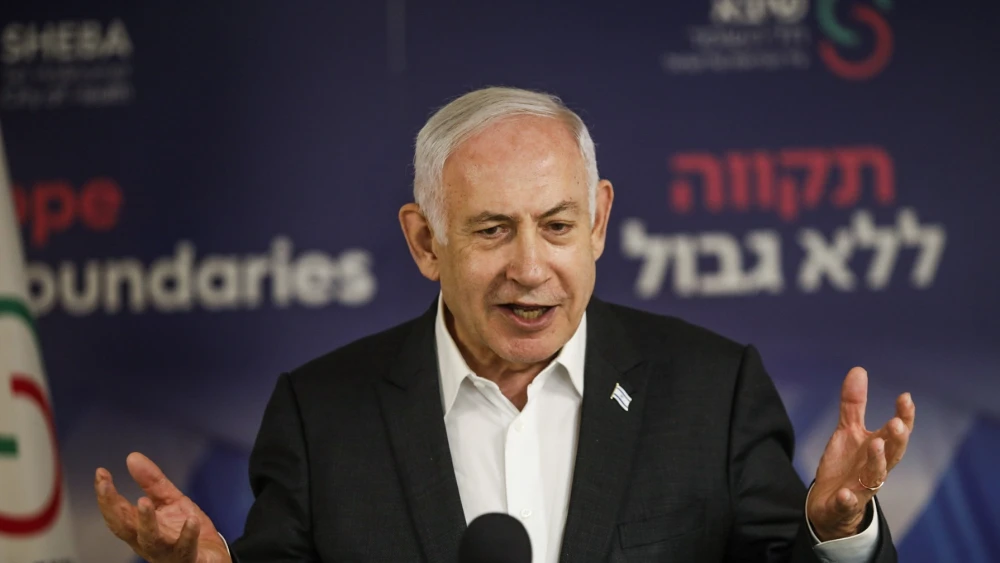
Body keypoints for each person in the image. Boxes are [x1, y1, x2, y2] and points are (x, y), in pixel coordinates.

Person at [94, 87, 914, 563]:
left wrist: (836, 530)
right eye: (492, 230)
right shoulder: (322, 415)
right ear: (426, 241)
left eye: (557, 226)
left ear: (599, 222)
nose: (530, 266)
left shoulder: (712, 389)